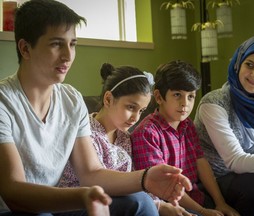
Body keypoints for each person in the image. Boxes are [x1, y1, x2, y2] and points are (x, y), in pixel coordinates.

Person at [0, 1, 193, 215]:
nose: (68, 55)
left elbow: (90, 173)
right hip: (18, 210)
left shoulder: (71, 99)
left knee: (140, 202)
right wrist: (84, 195)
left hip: (62, 206)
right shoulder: (4, 102)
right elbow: (13, 191)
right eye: (56, 44)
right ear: (25, 48)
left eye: (72, 44)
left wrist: (145, 178)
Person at [59, 63, 199, 216]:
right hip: (77, 204)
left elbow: (131, 183)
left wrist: (161, 206)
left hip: (117, 203)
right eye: (131, 107)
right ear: (108, 99)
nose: (136, 118)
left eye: (141, 111)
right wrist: (155, 205)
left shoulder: (124, 138)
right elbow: (96, 181)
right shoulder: (86, 133)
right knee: (140, 202)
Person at [194, 35, 254, 216]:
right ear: (238, 65)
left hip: (246, 177)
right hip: (213, 182)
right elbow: (235, 160)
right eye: (250, 65)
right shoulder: (213, 103)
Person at [131, 60, 239, 216]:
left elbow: (201, 162)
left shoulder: (187, 125)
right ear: (159, 97)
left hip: (195, 195)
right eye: (177, 95)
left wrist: (220, 202)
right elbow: (165, 187)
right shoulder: (147, 133)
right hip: (169, 205)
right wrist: (202, 211)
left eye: (191, 96)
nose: (185, 104)